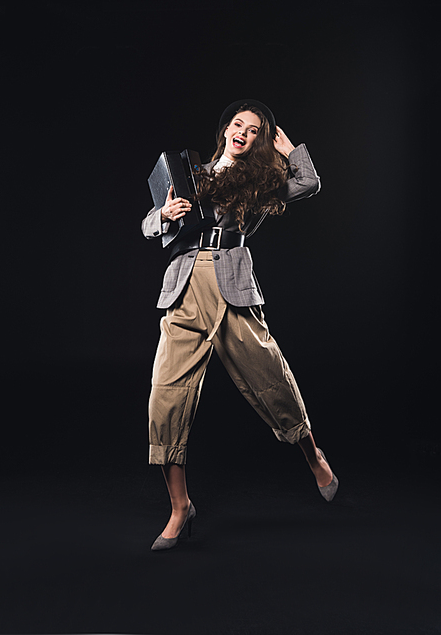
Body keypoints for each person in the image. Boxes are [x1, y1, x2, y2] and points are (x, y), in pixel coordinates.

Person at [141, 99, 338, 552]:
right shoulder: (189, 174)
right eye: (237, 125)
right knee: (165, 398)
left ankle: (314, 458)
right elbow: (148, 222)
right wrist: (164, 216)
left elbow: (308, 182)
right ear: (224, 130)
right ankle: (179, 507)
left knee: (274, 384)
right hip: (184, 290)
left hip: (233, 291)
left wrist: (290, 152)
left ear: (259, 141)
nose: (242, 133)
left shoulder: (261, 182)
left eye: (253, 131)